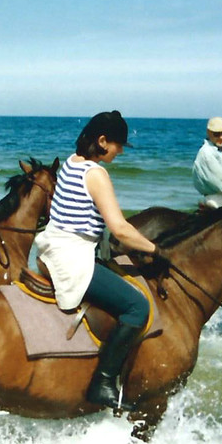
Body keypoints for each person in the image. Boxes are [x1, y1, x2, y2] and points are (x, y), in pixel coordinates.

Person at [35, 111, 164, 410]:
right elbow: (119, 228)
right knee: (137, 306)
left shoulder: (70, 162)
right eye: (118, 145)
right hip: (72, 258)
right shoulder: (96, 174)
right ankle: (102, 382)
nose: (120, 151)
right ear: (102, 141)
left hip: (50, 248)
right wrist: (156, 251)